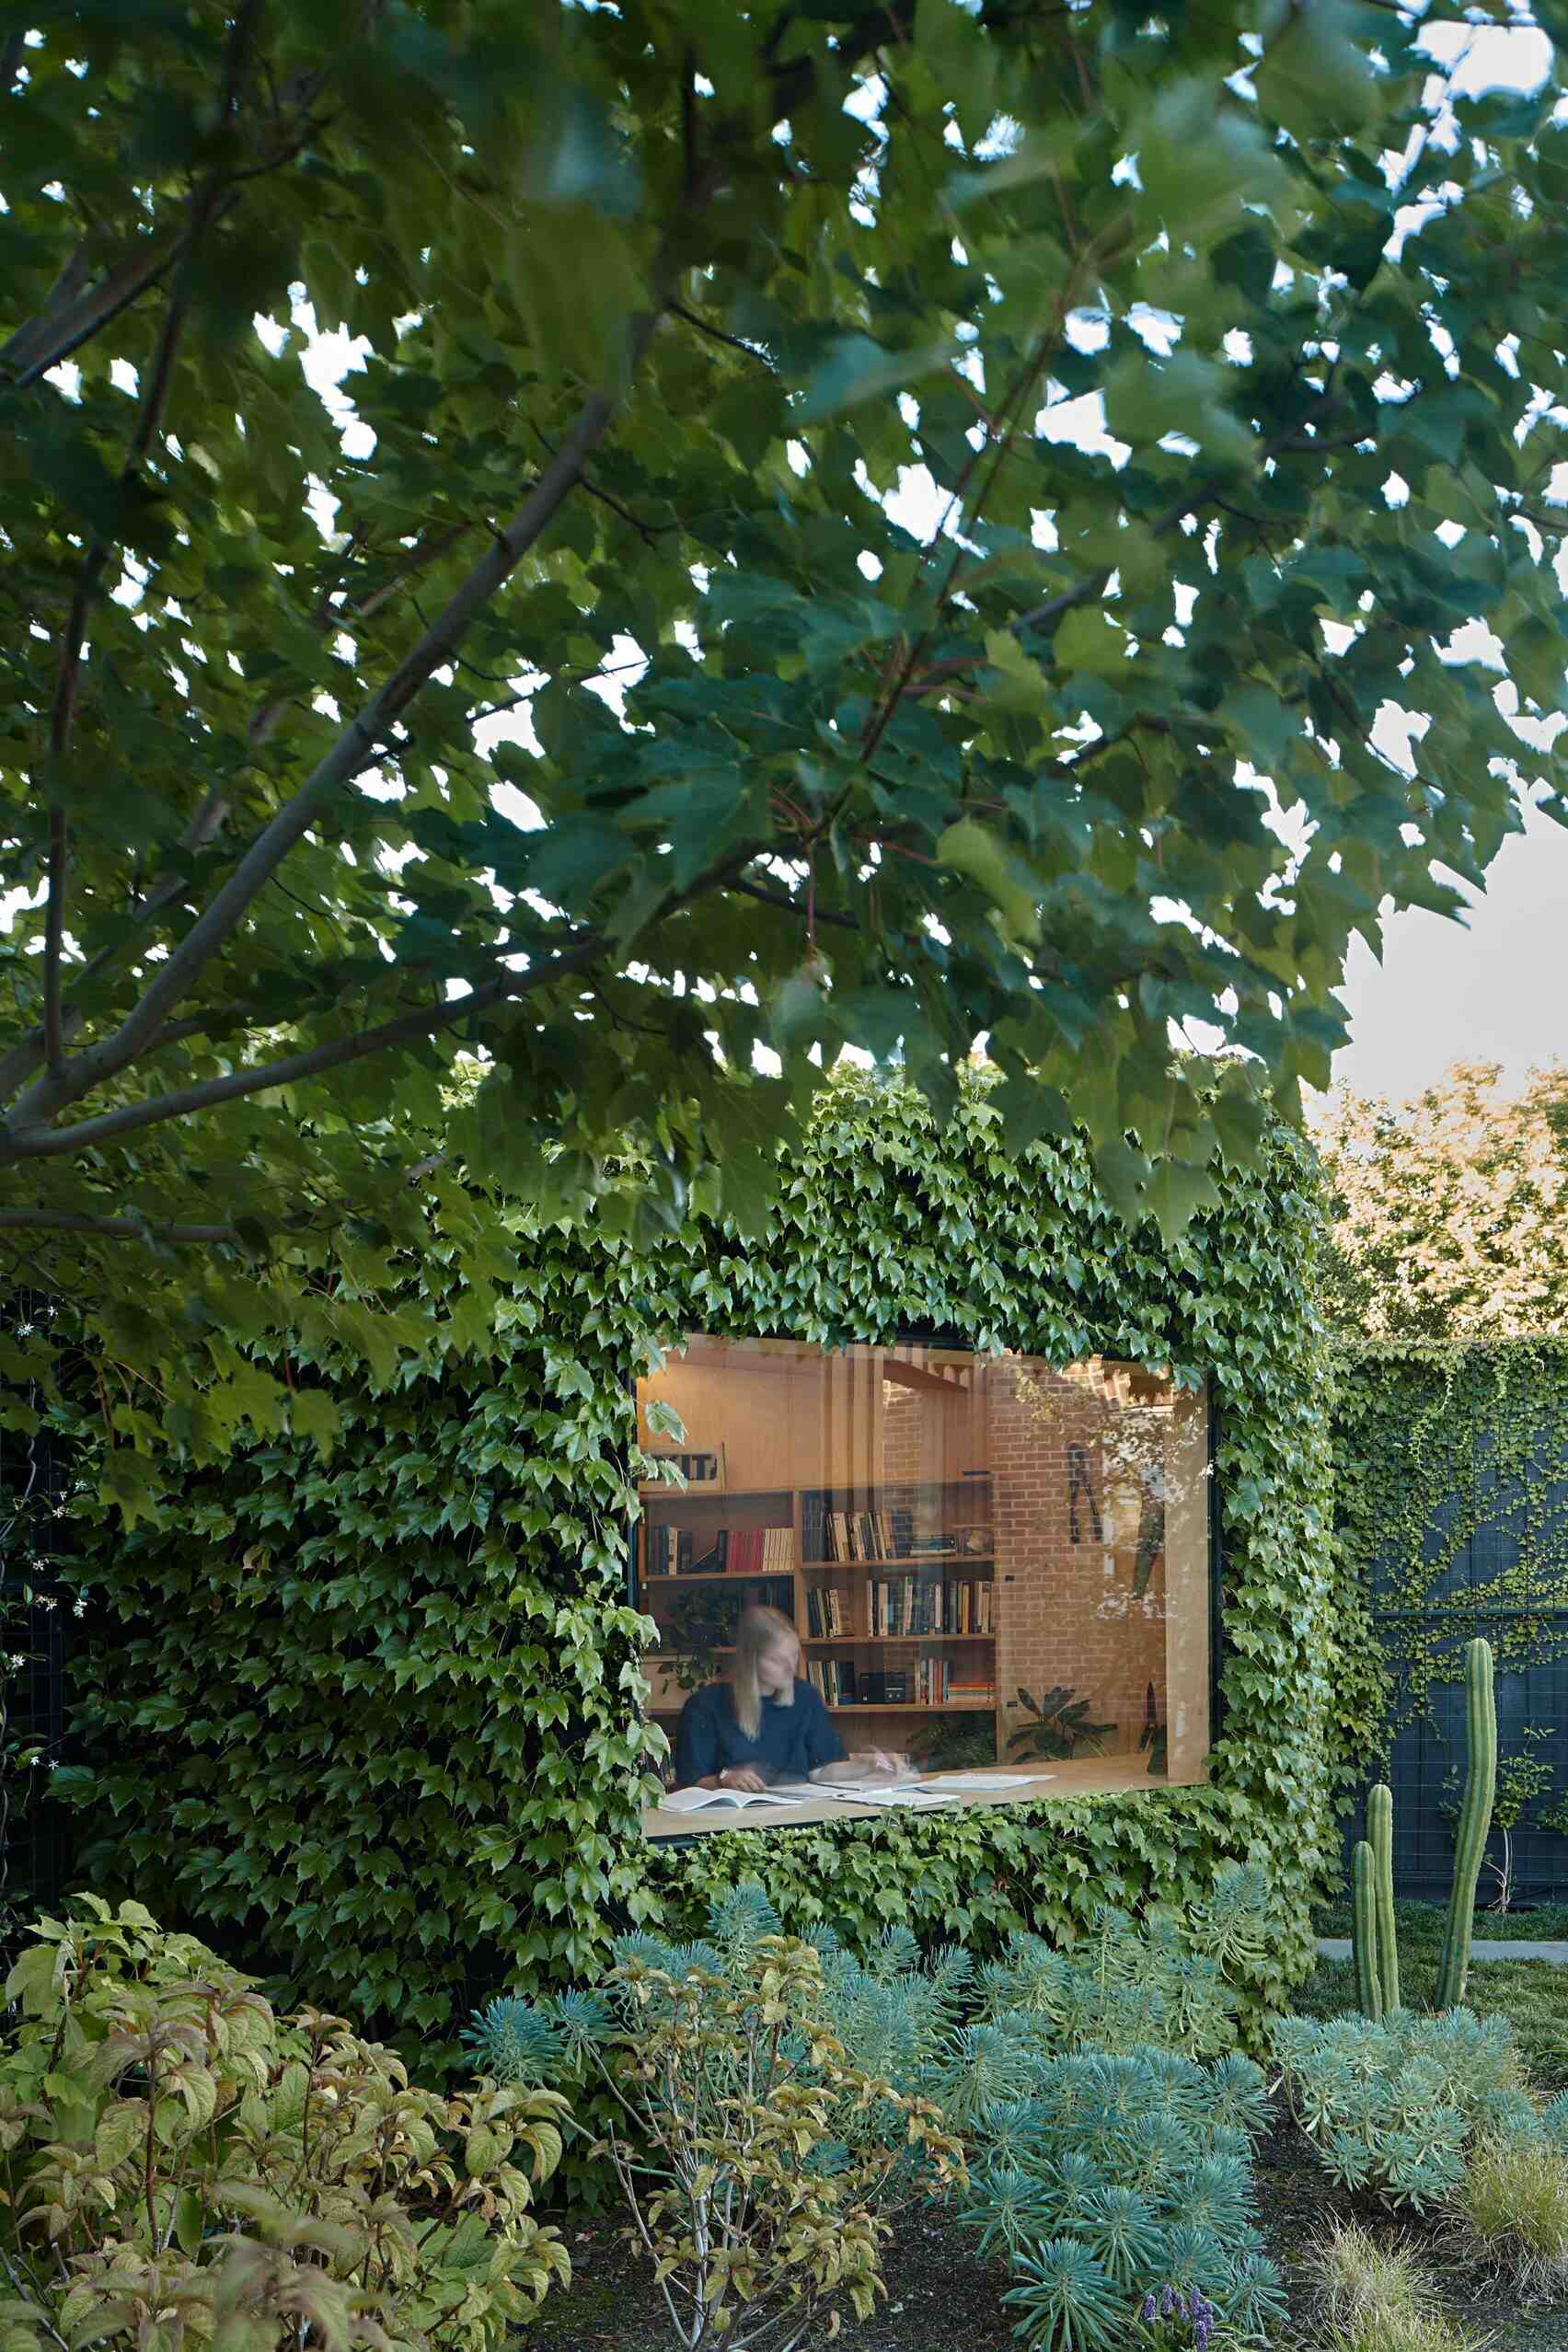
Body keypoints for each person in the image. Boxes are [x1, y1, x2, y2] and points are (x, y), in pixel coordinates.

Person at [672, 1604, 905, 1792]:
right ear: (750, 1660)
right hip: (730, 1822)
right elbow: (689, 1783)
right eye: (777, 1660)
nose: (790, 1667)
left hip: (797, 1815)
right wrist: (724, 1779)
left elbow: (821, 1771)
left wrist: (868, 1764)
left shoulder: (806, 1697)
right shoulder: (705, 1706)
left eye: (793, 1656)